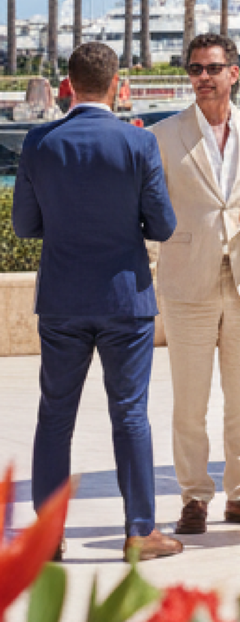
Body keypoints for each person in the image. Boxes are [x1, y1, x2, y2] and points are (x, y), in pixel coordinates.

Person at [13, 41, 180, 561]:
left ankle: (48, 536)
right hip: (125, 299)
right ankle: (139, 531)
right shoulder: (138, 143)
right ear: (117, 84)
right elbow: (164, 225)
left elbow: (23, 225)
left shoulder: (39, 142)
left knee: (54, 415)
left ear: (68, 84)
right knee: (130, 414)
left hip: (62, 297)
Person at [150, 33, 240, 535]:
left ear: (234, 73)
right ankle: (193, 497)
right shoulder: (162, 136)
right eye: (194, 70)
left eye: (211, 68)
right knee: (189, 401)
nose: (202, 78)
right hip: (187, 284)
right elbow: (148, 207)